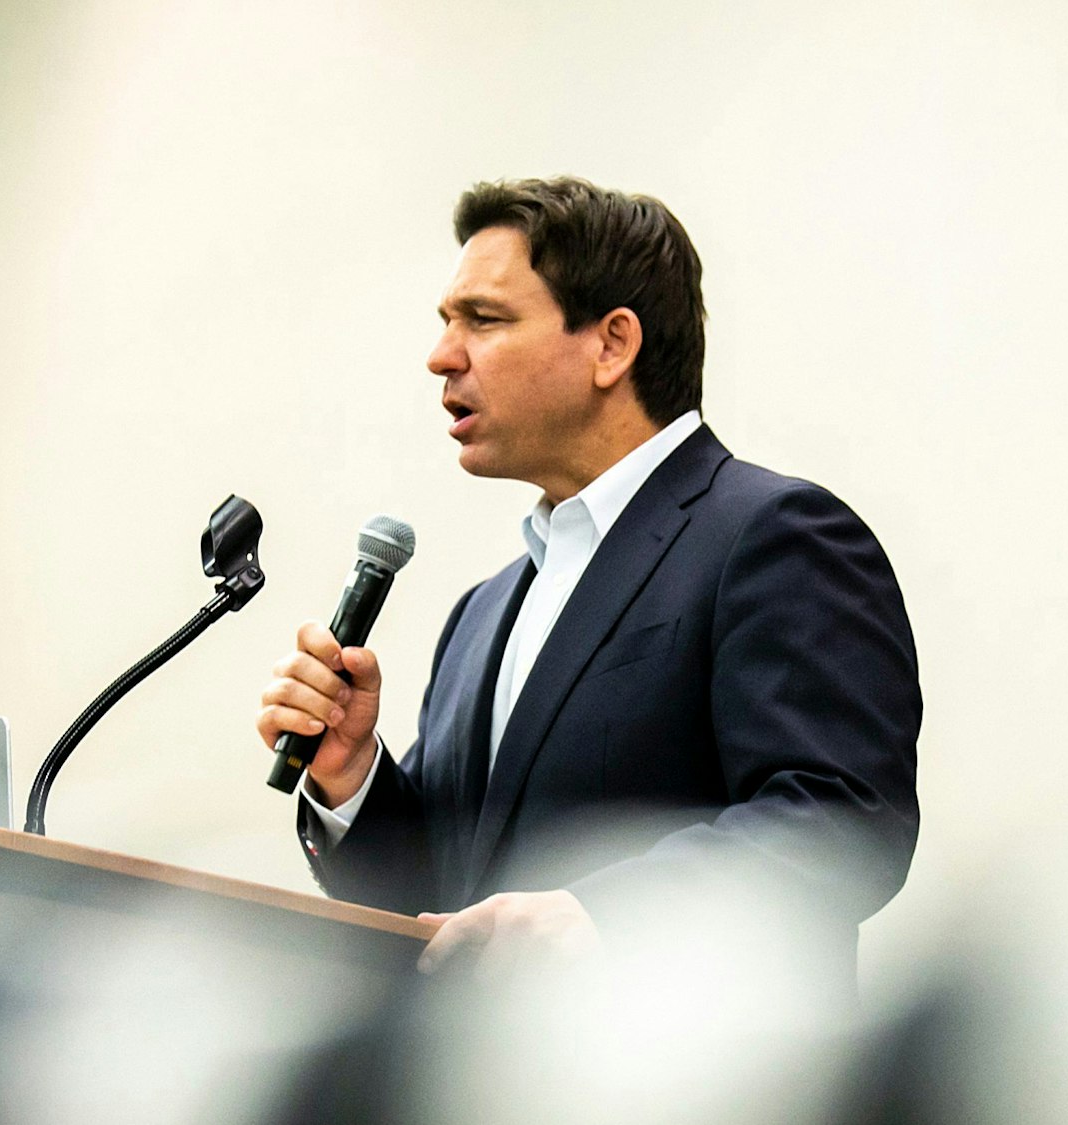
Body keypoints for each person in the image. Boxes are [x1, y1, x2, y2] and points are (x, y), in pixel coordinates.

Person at [254, 177, 921, 988]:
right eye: (445, 323)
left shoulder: (772, 536)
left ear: (612, 344)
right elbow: (440, 905)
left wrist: (600, 914)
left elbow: (841, 823)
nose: (441, 355)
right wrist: (353, 775)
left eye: (484, 319)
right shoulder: (483, 610)